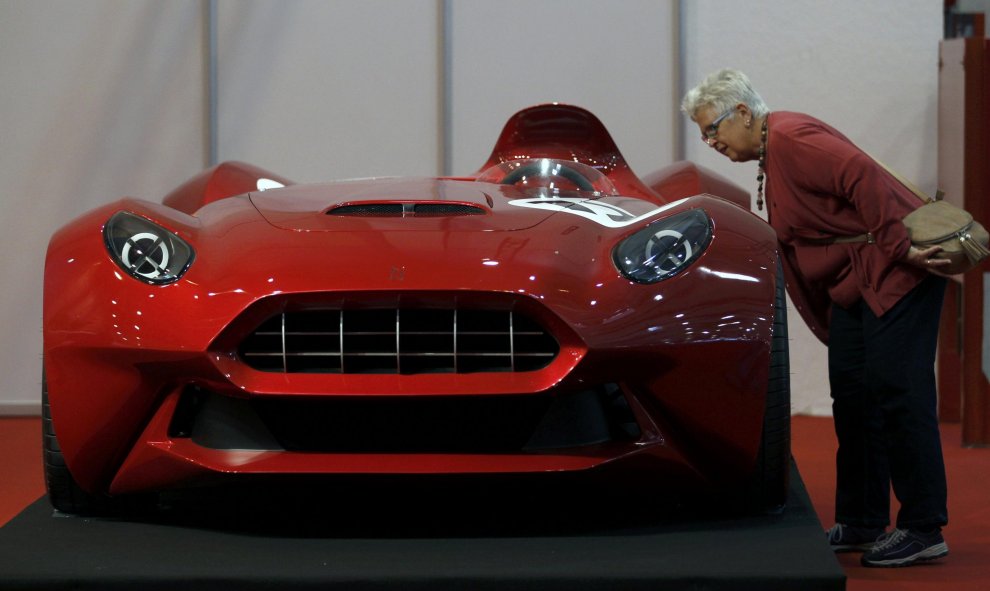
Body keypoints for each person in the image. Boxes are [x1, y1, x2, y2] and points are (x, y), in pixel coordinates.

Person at [681, 69, 950, 568]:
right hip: (856, 286)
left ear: (743, 113)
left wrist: (901, 246)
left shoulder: (791, 137)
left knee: (898, 391)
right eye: (702, 134)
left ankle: (923, 525)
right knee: (852, 395)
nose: (709, 141)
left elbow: (862, 174)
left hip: (895, 274)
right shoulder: (771, 150)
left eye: (712, 128)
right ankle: (863, 519)